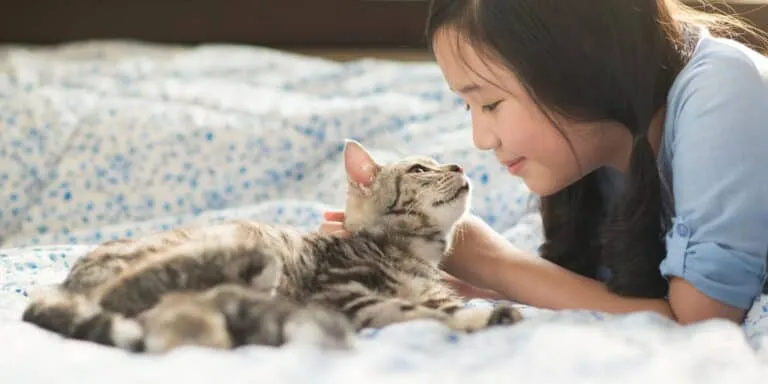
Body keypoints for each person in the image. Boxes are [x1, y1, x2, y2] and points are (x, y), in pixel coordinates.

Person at [320, 0, 768, 325]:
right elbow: (622, 297)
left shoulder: (723, 95)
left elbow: (700, 325)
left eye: (490, 103)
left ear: (576, 64)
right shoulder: (605, 155)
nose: (480, 139)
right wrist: (470, 282)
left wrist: (492, 258)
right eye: (467, 108)